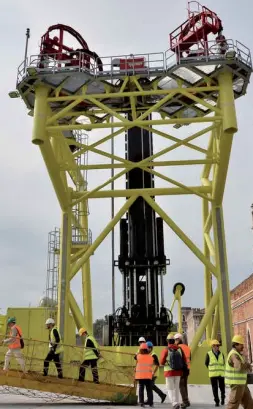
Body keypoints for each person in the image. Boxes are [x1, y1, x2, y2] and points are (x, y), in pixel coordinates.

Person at [225, 334, 253, 409]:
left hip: (242, 384)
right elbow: (239, 366)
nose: (243, 346)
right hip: (237, 385)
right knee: (233, 406)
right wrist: (246, 365)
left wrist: (247, 364)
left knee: (249, 404)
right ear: (236, 345)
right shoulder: (233, 355)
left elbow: (242, 363)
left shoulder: (238, 354)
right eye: (241, 344)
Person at [160, 333, 187, 409]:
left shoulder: (166, 349)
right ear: (174, 341)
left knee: (169, 388)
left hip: (169, 372)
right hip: (178, 372)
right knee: (176, 388)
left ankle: (174, 403)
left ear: (168, 341)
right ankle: (177, 402)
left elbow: (161, 361)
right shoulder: (179, 349)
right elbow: (184, 360)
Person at [205, 339, 225, 407]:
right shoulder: (208, 354)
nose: (217, 347)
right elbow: (206, 363)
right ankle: (217, 401)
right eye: (215, 346)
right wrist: (212, 369)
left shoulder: (222, 354)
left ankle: (223, 398)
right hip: (213, 374)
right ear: (212, 346)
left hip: (221, 374)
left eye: (218, 346)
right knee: (214, 388)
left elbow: (223, 363)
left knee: (222, 387)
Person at [174, 333, 191, 408]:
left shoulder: (178, 348)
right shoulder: (187, 347)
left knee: (181, 386)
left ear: (178, 340)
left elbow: (178, 359)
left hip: (181, 369)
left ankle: (185, 401)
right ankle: (187, 400)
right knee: (184, 385)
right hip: (187, 368)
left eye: (175, 340)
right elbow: (190, 358)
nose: (175, 341)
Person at [135, 342, 154, 407]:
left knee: (141, 389)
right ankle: (151, 403)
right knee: (149, 389)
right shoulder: (151, 357)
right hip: (148, 376)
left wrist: (138, 352)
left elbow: (135, 357)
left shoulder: (138, 356)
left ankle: (141, 403)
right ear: (147, 349)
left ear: (140, 349)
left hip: (140, 376)